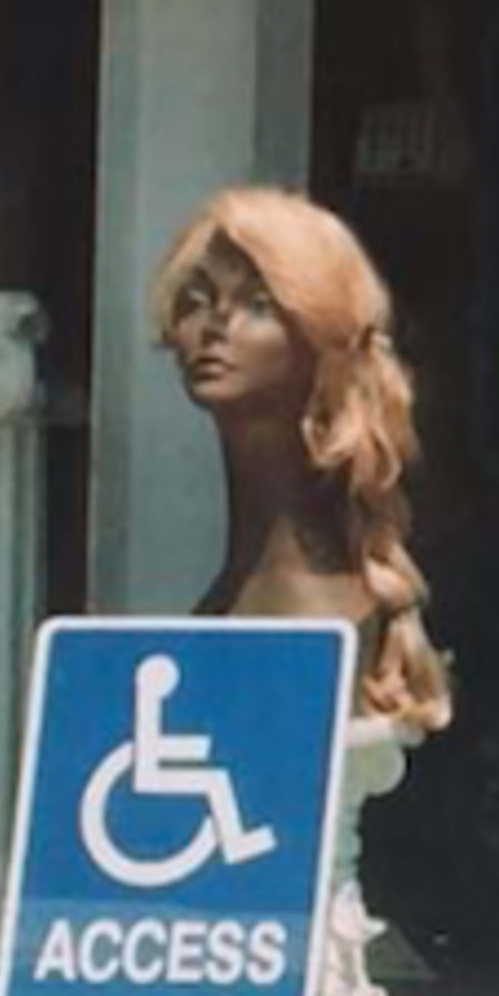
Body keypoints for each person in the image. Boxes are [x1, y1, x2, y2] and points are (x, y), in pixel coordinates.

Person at [152, 185, 452, 734]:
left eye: (258, 305)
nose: (216, 325)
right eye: (196, 300)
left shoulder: (326, 607)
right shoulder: (238, 590)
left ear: (321, 335)